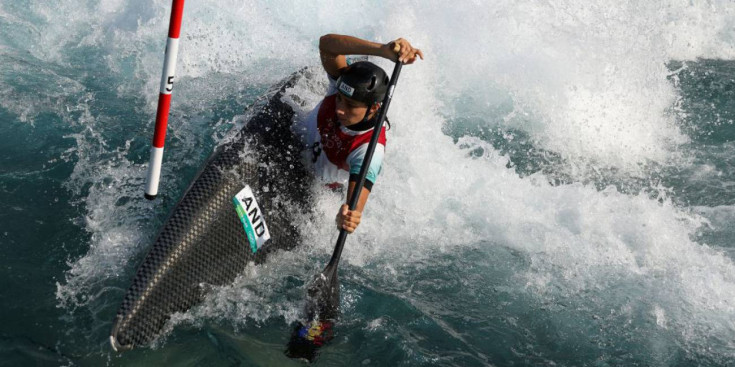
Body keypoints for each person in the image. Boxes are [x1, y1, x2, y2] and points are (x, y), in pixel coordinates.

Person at [294, 34, 423, 234]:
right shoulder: (344, 88)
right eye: (339, 99)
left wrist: (348, 216)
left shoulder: (369, 149)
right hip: (293, 143)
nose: (340, 109)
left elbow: (355, 205)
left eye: (351, 106)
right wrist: (382, 50)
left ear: (374, 108)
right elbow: (326, 44)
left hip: (314, 182)